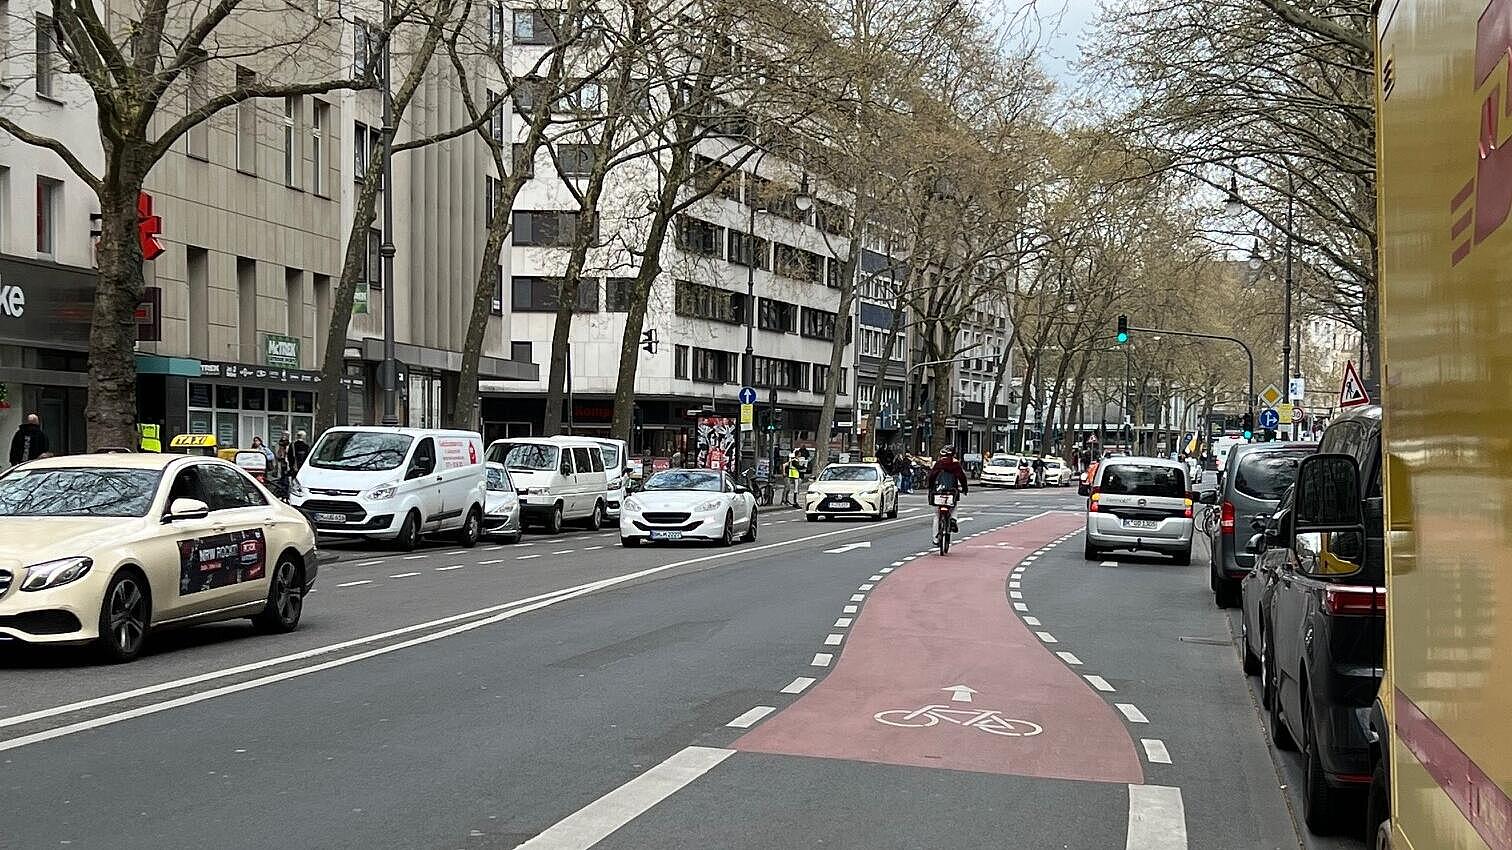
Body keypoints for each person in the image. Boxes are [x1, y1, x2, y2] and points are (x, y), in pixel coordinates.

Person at [925, 447, 969, 542]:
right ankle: (953, 519)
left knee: (937, 515)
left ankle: (935, 538)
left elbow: (932, 476)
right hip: (951, 491)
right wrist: (965, 489)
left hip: (938, 492)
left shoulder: (939, 463)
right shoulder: (955, 464)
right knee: (954, 506)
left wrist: (930, 487)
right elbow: (962, 477)